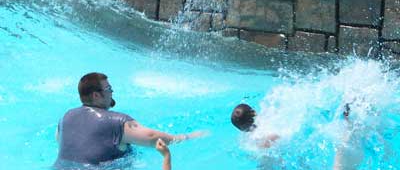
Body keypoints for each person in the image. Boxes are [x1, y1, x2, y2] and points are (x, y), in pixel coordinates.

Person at [55, 72, 205, 166]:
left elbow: (61, 141)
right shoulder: (117, 122)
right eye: (108, 89)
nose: (112, 92)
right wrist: (186, 137)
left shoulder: (65, 117)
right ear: (96, 95)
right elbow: (152, 137)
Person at [232, 103, 351, 168]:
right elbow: (272, 139)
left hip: (275, 160)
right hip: (283, 155)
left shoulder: (247, 139)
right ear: (254, 112)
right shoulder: (265, 129)